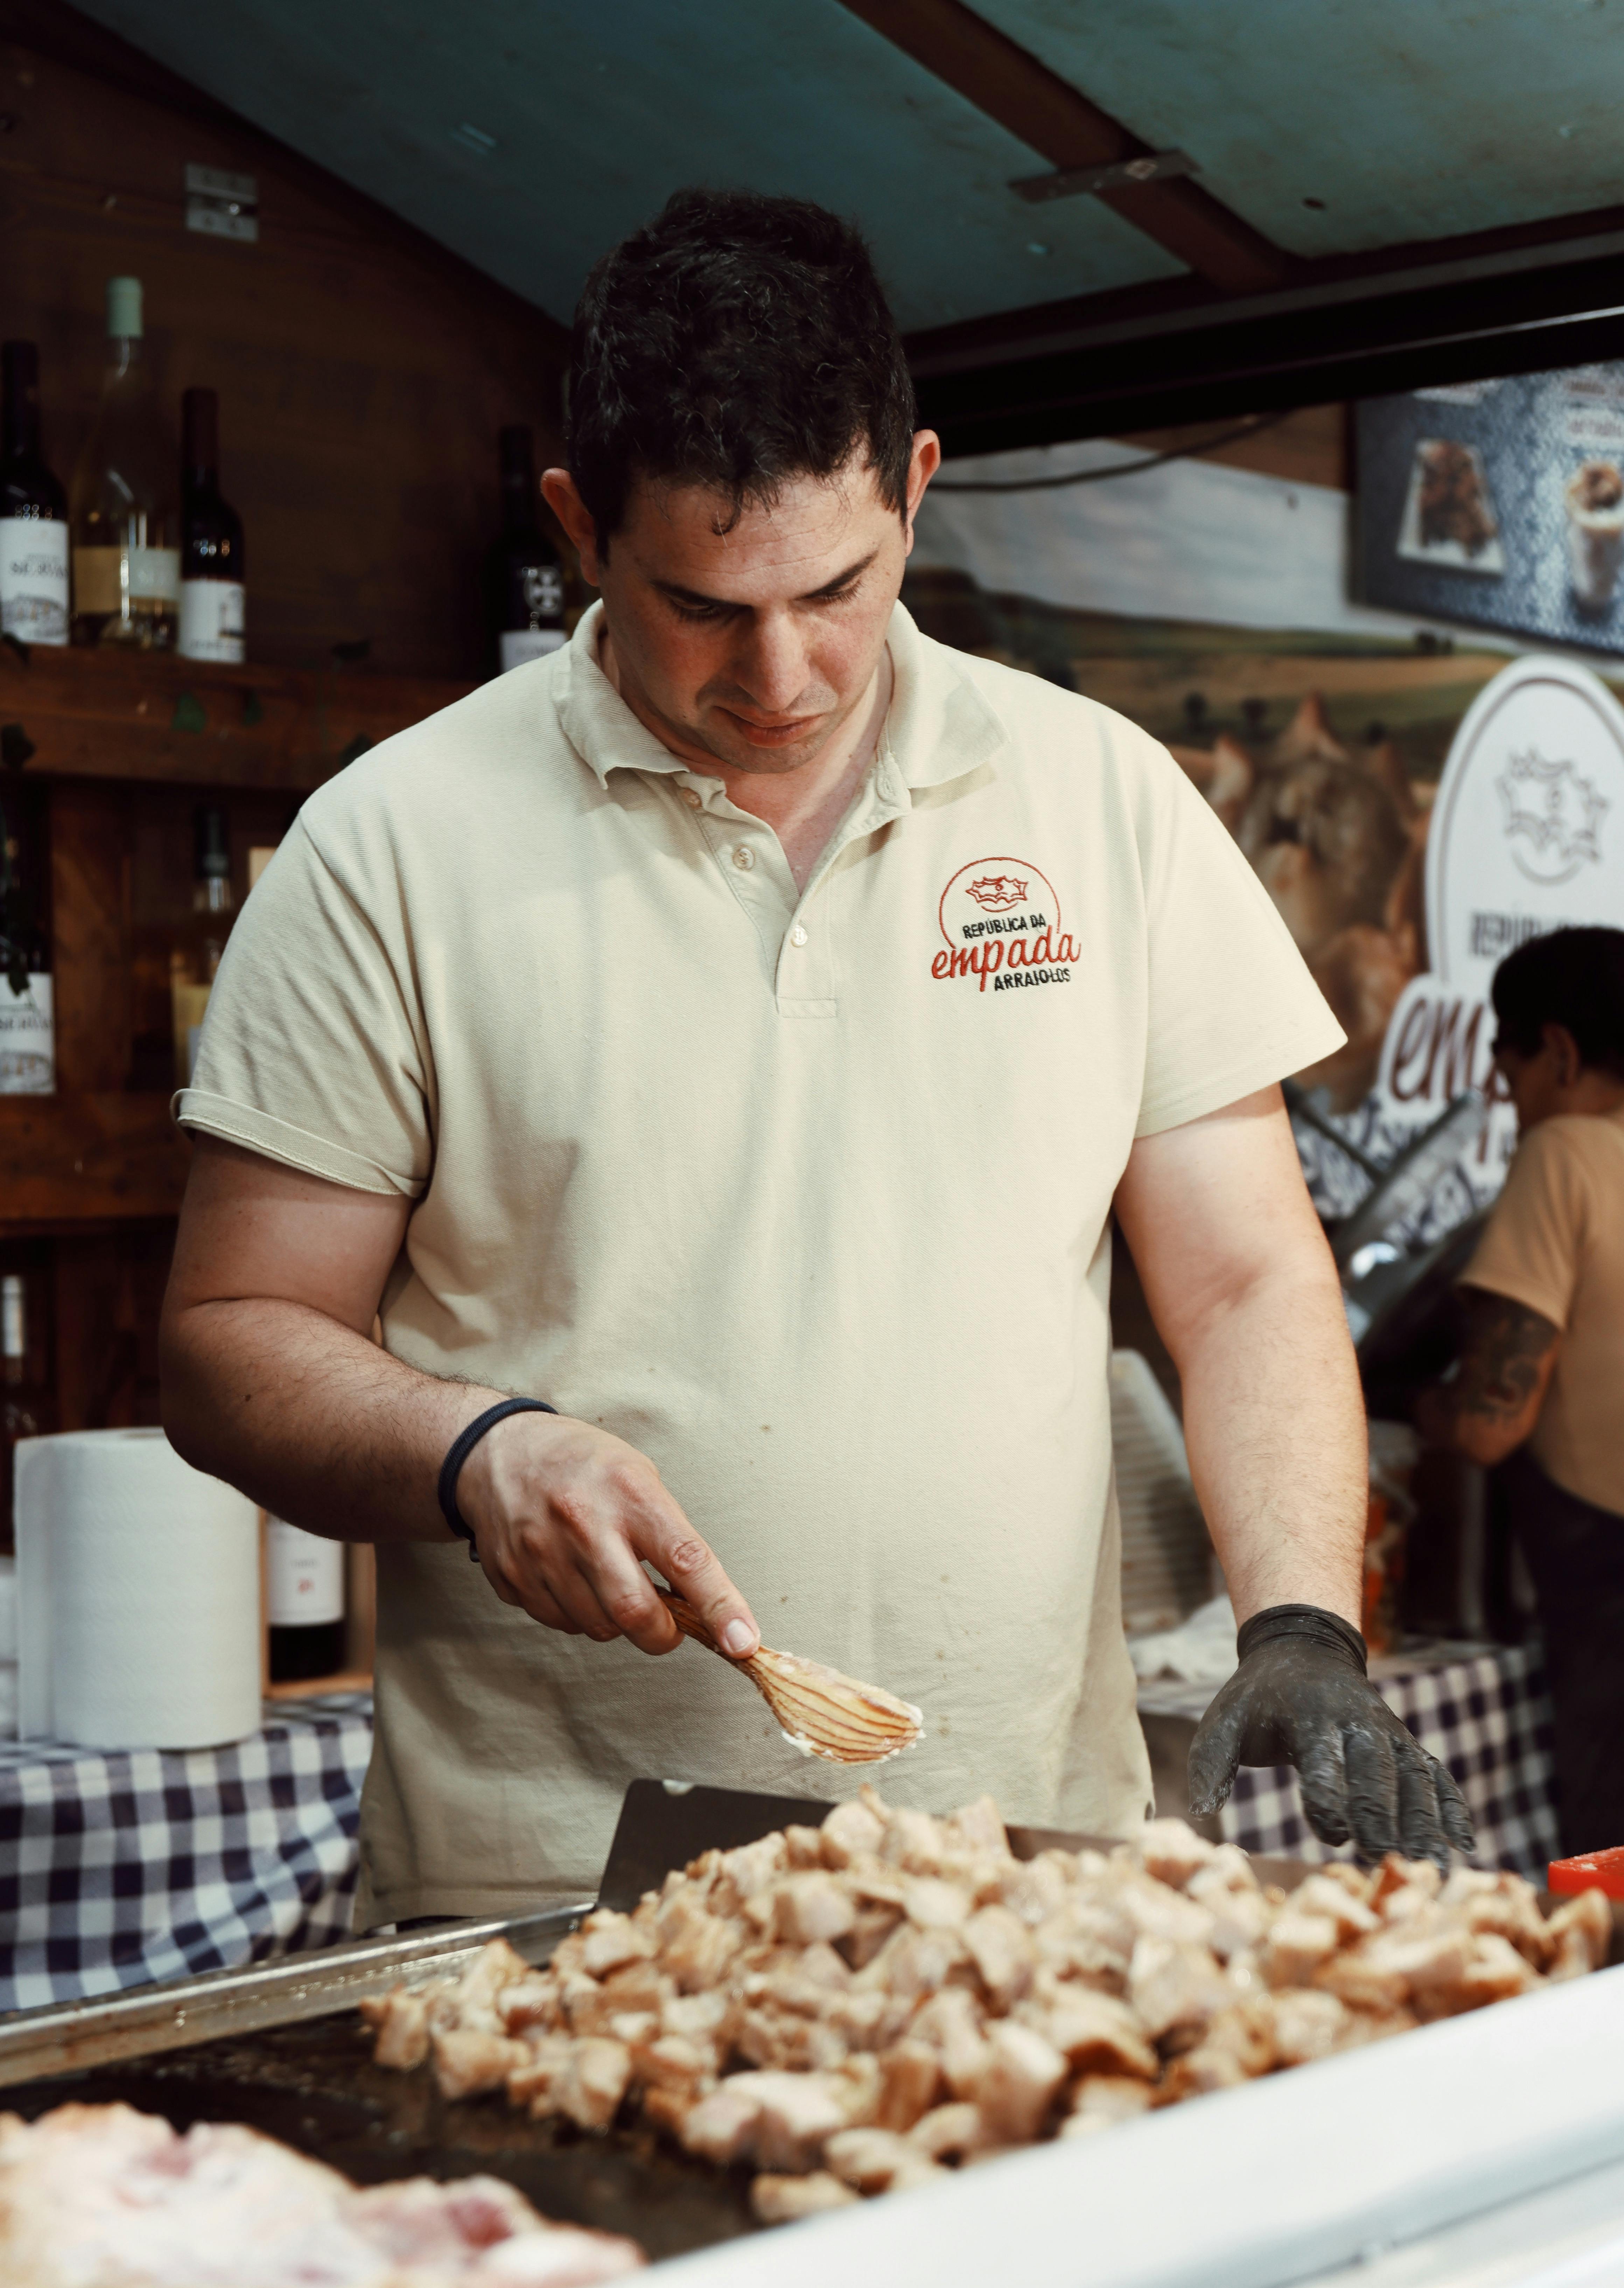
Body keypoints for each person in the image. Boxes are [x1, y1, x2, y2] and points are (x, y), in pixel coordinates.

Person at [159, 190, 1469, 1926]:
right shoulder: (391, 847)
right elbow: (232, 1339)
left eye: (836, 588)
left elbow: (1236, 1278)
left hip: (1018, 1869)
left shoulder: (1103, 799)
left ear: (914, 486)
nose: (781, 673)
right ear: (576, 527)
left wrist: (1297, 1621)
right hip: (555, 1891)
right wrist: (473, 1453)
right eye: (700, 606)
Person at [1419, 926, 1624, 1854]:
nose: (1508, 1096)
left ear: (1560, 1052)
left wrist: (1418, 1409)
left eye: (1508, 1066)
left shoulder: (1566, 1154)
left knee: (1610, 1869)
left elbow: (1491, 1423)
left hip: (1611, 1594)